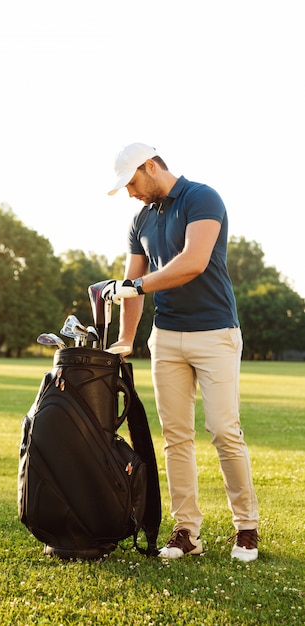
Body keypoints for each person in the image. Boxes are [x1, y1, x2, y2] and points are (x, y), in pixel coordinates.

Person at [101, 142, 259, 562]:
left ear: (150, 166)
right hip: (167, 338)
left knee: (224, 430)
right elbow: (130, 283)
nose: (131, 192)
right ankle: (186, 530)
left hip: (215, 333)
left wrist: (136, 287)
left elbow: (193, 262)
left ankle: (246, 527)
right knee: (176, 437)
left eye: (132, 182)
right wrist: (127, 337)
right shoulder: (139, 220)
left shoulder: (202, 198)